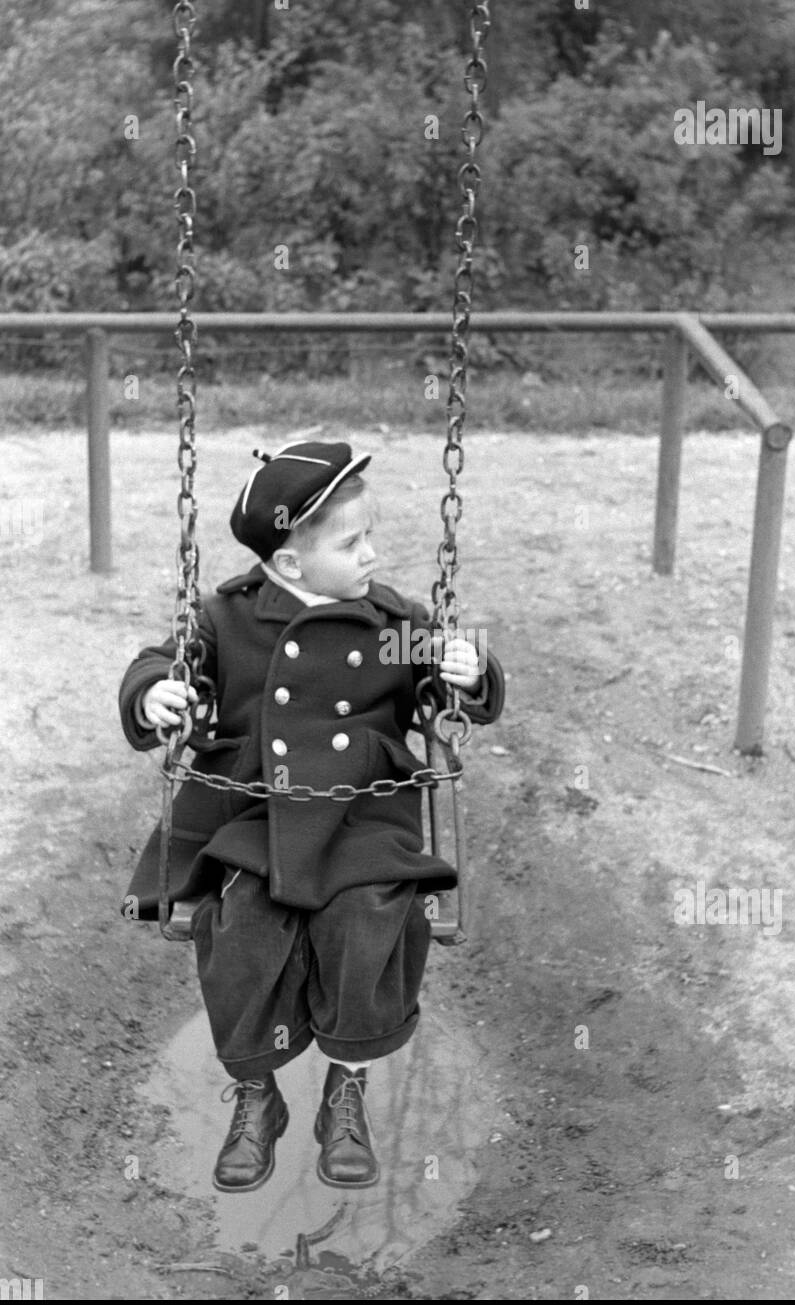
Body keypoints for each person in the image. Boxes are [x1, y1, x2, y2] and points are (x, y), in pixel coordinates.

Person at [118, 440, 505, 1193]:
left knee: (368, 917)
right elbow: (156, 663)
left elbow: (455, 682)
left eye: (371, 537)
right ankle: (257, 1095)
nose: (372, 554)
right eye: (352, 543)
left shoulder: (388, 619)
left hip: (364, 814)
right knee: (242, 928)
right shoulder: (227, 618)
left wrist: (469, 670)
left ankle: (346, 1087)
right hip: (253, 814)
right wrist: (153, 694)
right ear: (290, 564)